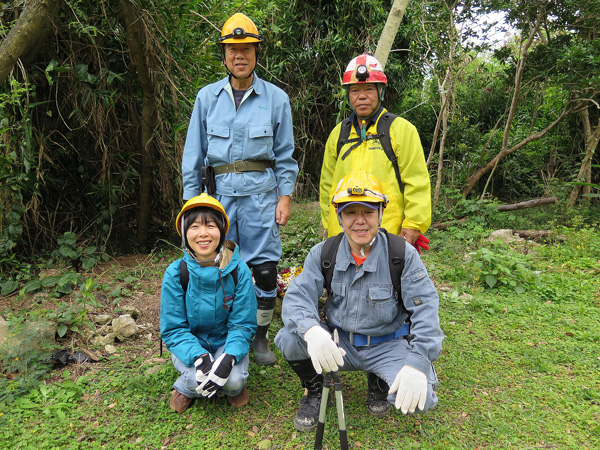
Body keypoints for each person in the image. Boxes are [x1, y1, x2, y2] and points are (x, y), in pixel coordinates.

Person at [275, 170, 443, 432]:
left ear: (381, 213)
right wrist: (313, 332)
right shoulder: (324, 253)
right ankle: (315, 388)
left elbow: (426, 310)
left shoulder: (401, 254)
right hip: (338, 345)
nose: (360, 221)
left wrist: (418, 362)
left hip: (387, 344)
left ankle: (378, 380)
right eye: (351, 212)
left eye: (368, 212)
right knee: (289, 339)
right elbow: (297, 297)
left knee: (422, 399)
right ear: (340, 217)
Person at [181, 13, 298, 366]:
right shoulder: (206, 98)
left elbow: (285, 155)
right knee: (217, 267)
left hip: (262, 199)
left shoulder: (277, 99)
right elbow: (193, 154)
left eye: (246, 48)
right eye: (233, 50)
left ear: (256, 53)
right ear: (225, 55)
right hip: (216, 201)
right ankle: (221, 336)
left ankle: (259, 337)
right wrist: (191, 206)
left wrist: (285, 196)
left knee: (263, 271)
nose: (240, 56)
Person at [320, 53, 431, 249]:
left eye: (369, 89)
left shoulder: (402, 130)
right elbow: (328, 186)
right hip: (344, 233)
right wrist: (329, 226)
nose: (361, 96)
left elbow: (417, 181)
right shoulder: (339, 134)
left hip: (389, 232)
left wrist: (413, 223)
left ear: (381, 92)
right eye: (354, 90)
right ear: (347, 95)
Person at [160, 194, 257, 413]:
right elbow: (174, 328)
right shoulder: (176, 273)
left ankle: (230, 387)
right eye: (194, 226)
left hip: (226, 342)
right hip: (190, 344)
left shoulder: (239, 270)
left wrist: (230, 356)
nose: (203, 233)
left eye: (210, 225)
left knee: (233, 380)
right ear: (185, 233)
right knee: (196, 379)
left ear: (221, 231)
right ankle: (186, 387)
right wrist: (199, 356)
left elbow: (243, 324)